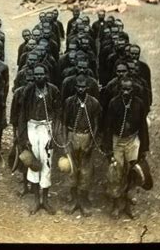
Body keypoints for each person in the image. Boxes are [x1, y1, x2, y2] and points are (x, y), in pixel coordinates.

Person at [18, 64, 61, 215]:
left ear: (46, 75)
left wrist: (53, 135)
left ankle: (46, 200)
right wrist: (23, 138)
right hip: (31, 127)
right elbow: (22, 115)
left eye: (41, 74)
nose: (38, 77)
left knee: (47, 163)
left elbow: (57, 114)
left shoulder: (53, 90)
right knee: (33, 162)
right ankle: (36, 200)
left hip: (46, 128)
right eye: (36, 75)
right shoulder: (28, 91)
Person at [104, 77, 149, 219]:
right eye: (123, 89)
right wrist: (108, 149)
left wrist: (144, 148)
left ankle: (128, 204)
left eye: (128, 89)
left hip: (133, 140)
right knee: (116, 172)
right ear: (119, 89)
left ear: (133, 90)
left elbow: (143, 127)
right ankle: (117, 204)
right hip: (117, 141)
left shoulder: (139, 104)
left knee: (132, 173)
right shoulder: (113, 103)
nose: (125, 92)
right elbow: (108, 127)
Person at [62, 75, 101, 216]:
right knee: (72, 169)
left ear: (87, 88)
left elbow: (96, 125)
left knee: (86, 170)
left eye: (83, 86)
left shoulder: (94, 103)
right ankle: (73, 200)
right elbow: (65, 124)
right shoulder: (69, 102)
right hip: (73, 135)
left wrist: (91, 143)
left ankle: (83, 200)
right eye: (78, 86)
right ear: (75, 87)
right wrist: (66, 142)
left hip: (86, 136)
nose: (80, 89)